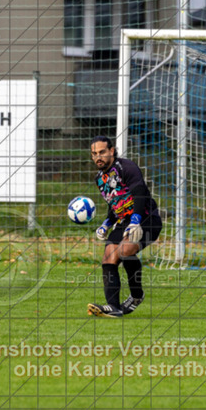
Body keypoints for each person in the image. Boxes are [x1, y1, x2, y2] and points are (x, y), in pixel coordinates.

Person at [87, 136, 162, 318]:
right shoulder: (99, 179)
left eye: (102, 152)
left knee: (125, 250)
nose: (98, 157)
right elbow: (115, 203)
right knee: (108, 258)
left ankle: (136, 296)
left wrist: (136, 220)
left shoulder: (126, 167)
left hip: (146, 218)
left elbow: (140, 193)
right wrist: (106, 224)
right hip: (124, 221)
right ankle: (114, 307)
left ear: (112, 151)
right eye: (94, 154)